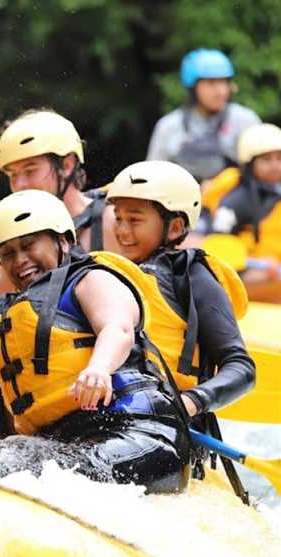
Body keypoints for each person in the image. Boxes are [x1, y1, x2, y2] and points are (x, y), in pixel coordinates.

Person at [0, 190, 191, 493]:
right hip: (67, 445)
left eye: (28, 246)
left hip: (144, 437)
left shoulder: (91, 279)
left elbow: (117, 328)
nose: (20, 260)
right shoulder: (8, 316)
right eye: (8, 254)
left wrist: (100, 368)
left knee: (22, 471)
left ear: (63, 241)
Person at [0, 110, 119, 428]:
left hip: (103, 380)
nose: (20, 185)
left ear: (67, 165)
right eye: (13, 175)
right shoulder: (22, 245)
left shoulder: (113, 222)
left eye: (30, 170)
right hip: (44, 380)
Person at [105, 160, 255, 500]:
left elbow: (241, 369)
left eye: (135, 220)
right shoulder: (104, 277)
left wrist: (190, 401)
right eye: (119, 219)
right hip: (113, 421)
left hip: (172, 435)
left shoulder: (193, 277)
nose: (123, 231)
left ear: (174, 227)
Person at [146, 49, 260, 183]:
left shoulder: (245, 120)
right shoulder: (168, 126)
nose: (221, 91)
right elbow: (152, 180)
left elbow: (266, 176)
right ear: (193, 87)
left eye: (224, 82)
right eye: (211, 83)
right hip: (183, 200)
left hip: (236, 201)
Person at [202, 122, 281, 303]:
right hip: (244, 273)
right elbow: (218, 248)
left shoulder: (275, 192)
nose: (275, 165)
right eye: (267, 159)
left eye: (279, 158)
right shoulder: (236, 199)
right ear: (250, 162)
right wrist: (256, 262)